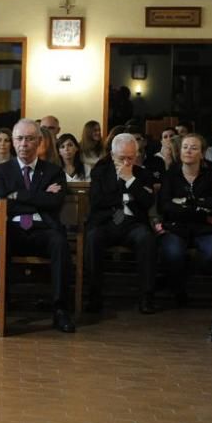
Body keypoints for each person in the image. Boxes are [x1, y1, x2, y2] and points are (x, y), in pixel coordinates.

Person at [0, 119, 75, 333]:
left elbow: (54, 202)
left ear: (39, 142)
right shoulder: (1, 171)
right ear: (13, 142)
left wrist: (18, 196)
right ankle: (1, 304)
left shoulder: (53, 171)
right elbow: (0, 203)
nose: (23, 144)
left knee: (60, 242)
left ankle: (60, 310)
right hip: (14, 230)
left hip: (43, 230)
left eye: (29, 139)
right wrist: (39, 197)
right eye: (19, 139)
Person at [85, 133, 159, 314]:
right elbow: (97, 201)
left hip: (133, 224)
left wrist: (130, 180)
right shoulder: (100, 172)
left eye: (131, 158)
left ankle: (146, 297)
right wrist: (125, 193)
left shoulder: (143, 174)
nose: (126, 162)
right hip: (106, 222)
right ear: (112, 155)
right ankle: (94, 296)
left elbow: (147, 202)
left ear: (137, 155)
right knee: (93, 238)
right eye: (122, 158)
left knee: (147, 239)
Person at [157, 133, 212, 307]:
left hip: (204, 226)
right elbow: (164, 204)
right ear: (179, 151)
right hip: (176, 226)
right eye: (185, 147)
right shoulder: (171, 172)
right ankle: (178, 290)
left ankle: (182, 276)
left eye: (194, 148)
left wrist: (186, 203)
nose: (188, 151)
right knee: (173, 254)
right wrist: (197, 206)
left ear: (202, 153)